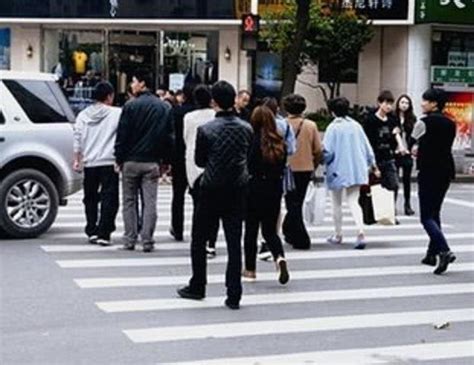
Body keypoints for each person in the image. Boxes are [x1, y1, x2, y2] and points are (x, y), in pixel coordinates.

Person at [177, 81, 253, 310]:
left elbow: (200, 161)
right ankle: (234, 293)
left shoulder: (206, 130)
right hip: (237, 188)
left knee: (199, 238)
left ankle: (198, 284)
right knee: (233, 242)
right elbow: (247, 156)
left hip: (210, 188)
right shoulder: (246, 129)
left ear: (214, 102)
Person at [114, 71, 174, 253]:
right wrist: (167, 161)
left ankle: (129, 239)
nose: (131, 85)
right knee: (150, 202)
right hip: (152, 162)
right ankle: (147, 240)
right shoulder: (163, 107)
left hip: (131, 161)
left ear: (142, 83)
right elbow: (169, 137)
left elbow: (122, 135)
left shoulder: (130, 106)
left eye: (133, 81)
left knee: (129, 201)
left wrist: (119, 157)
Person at [323, 97, 379, 250]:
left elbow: (327, 152)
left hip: (337, 169)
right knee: (353, 201)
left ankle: (338, 234)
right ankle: (360, 232)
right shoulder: (356, 126)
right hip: (357, 169)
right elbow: (367, 148)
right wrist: (373, 165)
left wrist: (321, 161)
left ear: (332, 111)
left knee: (336, 203)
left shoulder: (332, 128)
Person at [243, 106, 290, 284]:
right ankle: (279, 258)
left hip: (254, 188)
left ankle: (249, 270)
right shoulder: (280, 143)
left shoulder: (251, 142)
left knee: (250, 231)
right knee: (270, 231)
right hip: (274, 189)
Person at [412, 88, 456, 275]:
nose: (422, 104)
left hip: (429, 170)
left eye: (425, 101)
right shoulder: (451, 123)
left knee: (426, 217)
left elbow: (413, 142)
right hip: (446, 170)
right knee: (435, 211)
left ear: (434, 103)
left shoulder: (423, 123)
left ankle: (444, 250)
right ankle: (431, 254)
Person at [73, 81, 121, 246]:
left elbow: (77, 139)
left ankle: (91, 229)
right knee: (109, 198)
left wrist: (77, 159)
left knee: (90, 197)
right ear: (109, 96)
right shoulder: (116, 113)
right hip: (109, 161)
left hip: (90, 162)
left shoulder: (83, 115)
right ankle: (104, 232)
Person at [257, 97, 296, 260]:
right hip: (279, 171)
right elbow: (292, 148)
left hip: (259, 174)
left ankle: (261, 242)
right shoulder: (284, 125)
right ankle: (274, 239)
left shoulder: (258, 126)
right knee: (276, 207)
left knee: (257, 211)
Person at [282, 94, 322, 250]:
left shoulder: (282, 124)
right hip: (306, 169)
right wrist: (314, 164)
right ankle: (290, 232)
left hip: (287, 169)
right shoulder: (311, 125)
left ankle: (301, 238)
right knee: (297, 202)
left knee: (292, 203)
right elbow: (318, 150)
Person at [183, 85, 219, 258]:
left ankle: (199, 240)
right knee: (214, 207)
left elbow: (186, 138)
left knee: (198, 206)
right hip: (213, 166)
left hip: (193, 165)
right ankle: (211, 243)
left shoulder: (189, 117)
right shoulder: (215, 116)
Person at [363, 90, 400, 222]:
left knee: (393, 185)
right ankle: (372, 214)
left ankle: (390, 213)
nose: (389, 106)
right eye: (386, 103)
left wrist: (398, 142)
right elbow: (367, 142)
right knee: (374, 187)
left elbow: (395, 139)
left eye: (391, 104)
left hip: (388, 157)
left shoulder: (392, 120)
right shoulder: (370, 120)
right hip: (374, 159)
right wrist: (372, 165)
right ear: (379, 103)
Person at [170, 83, 196, 242]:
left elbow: (171, 135)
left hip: (178, 157)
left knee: (178, 196)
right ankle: (197, 228)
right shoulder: (200, 114)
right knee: (197, 197)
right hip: (195, 157)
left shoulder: (176, 112)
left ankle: (177, 228)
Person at [394, 94, 417, 216]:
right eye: (402, 102)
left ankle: (407, 205)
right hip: (396, 153)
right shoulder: (392, 117)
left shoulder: (412, 119)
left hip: (407, 153)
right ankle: (393, 205)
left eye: (407, 103)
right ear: (398, 104)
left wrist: (414, 147)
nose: (404, 105)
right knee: (394, 180)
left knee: (407, 180)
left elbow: (416, 136)